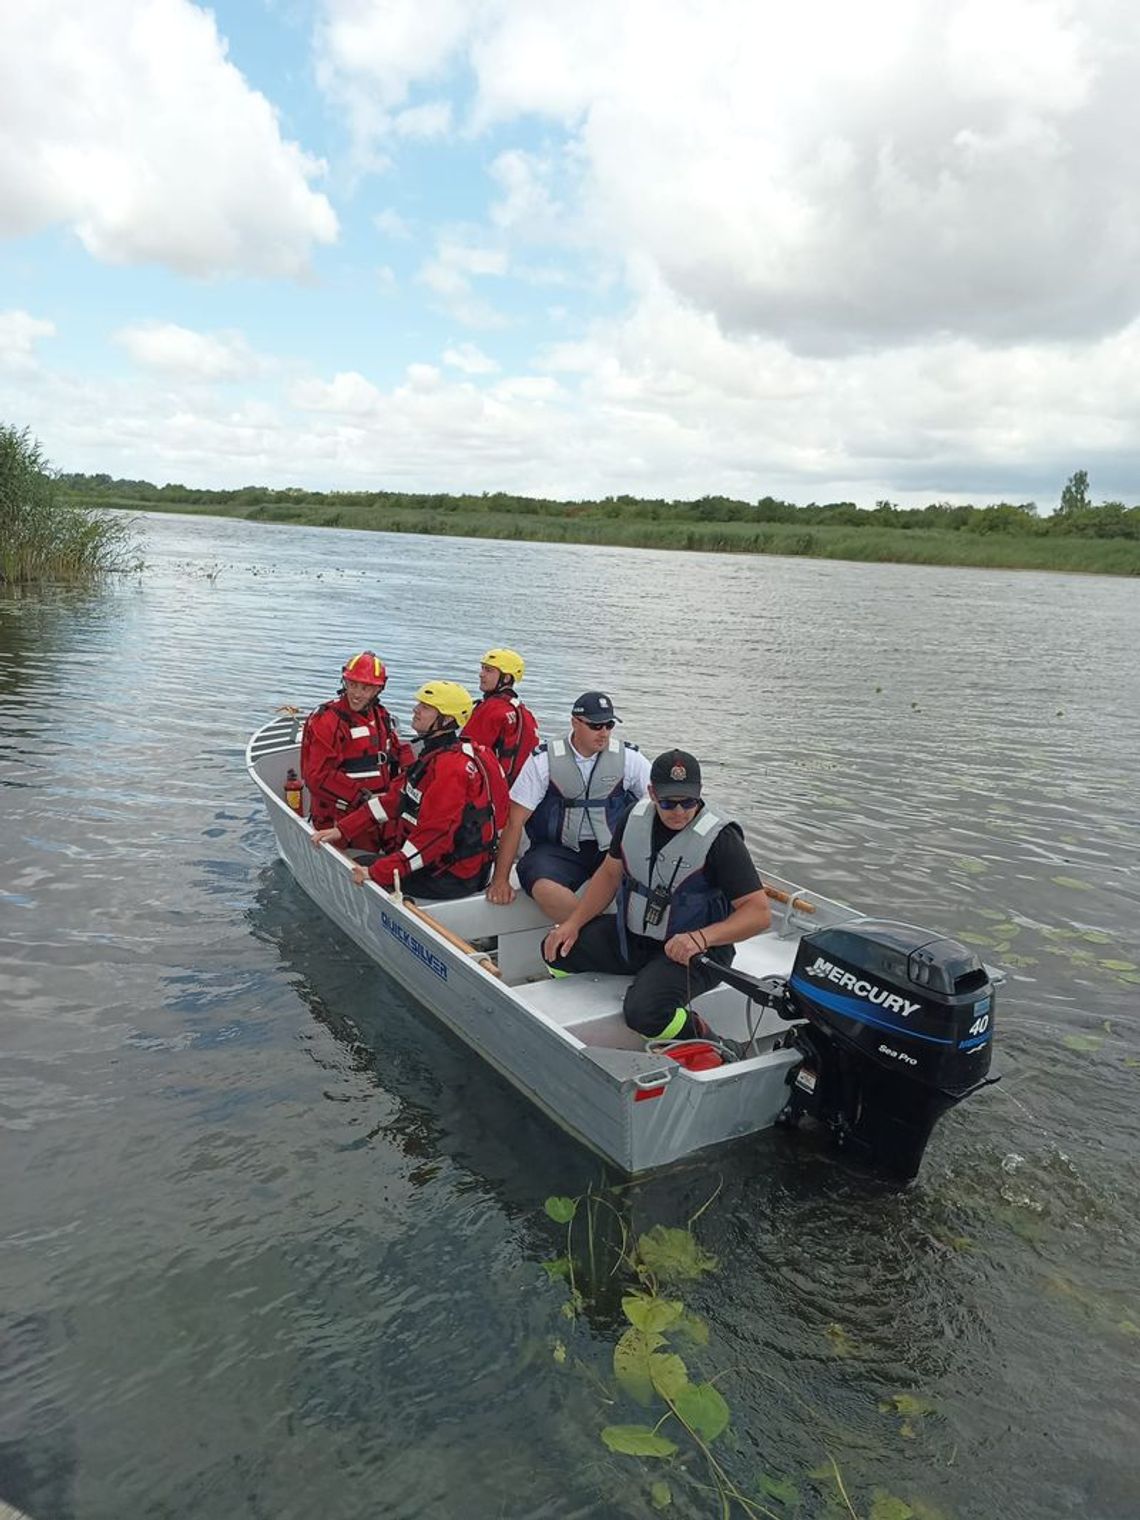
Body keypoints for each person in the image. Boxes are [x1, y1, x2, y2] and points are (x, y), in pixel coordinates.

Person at [541, 749, 771, 1046]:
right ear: (651, 793)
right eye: (668, 802)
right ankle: (577, 1022)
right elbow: (609, 875)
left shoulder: (722, 840)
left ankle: (712, 1042)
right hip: (637, 938)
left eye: (688, 802)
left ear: (699, 794)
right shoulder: (632, 818)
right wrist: (573, 923)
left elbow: (759, 913)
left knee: (645, 1013)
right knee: (556, 949)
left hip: (697, 952)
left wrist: (700, 939)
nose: (679, 811)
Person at [313, 681, 506, 901]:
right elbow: (394, 800)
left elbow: (434, 838)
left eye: (425, 707)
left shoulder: (450, 769)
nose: (416, 710)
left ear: (446, 719)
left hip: (450, 877)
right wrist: (342, 830)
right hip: (460, 867)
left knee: (355, 866)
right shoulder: (440, 755)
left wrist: (378, 872)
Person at [486, 691, 650, 921]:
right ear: (575, 722)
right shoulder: (544, 759)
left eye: (609, 725)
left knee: (641, 878)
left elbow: (657, 802)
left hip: (610, 848)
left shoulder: (629, 758)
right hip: (558, 850)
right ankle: (593, 934)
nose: (603, 733)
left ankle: (586, 933)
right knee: (541, 884)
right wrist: (500, 880)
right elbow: (515, 821)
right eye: (595, 726)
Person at [300, 651, 407, 831]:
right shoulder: (328, 720)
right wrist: (364, 798)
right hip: (340, 816)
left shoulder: (381, 715)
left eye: (365, 688)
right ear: (344, 682)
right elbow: (318, 776)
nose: (357, 694)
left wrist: (413, 777)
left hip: (378, 813)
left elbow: (395, 750)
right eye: (352, 685)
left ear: (378, 689)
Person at [461, 647, 540, 785]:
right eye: (482, 668)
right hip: (518, 784)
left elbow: (466, 751)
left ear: (507, 678)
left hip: (491, 785)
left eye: (489, 670)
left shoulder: (492, 708)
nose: (481, 674)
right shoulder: (522, 710)